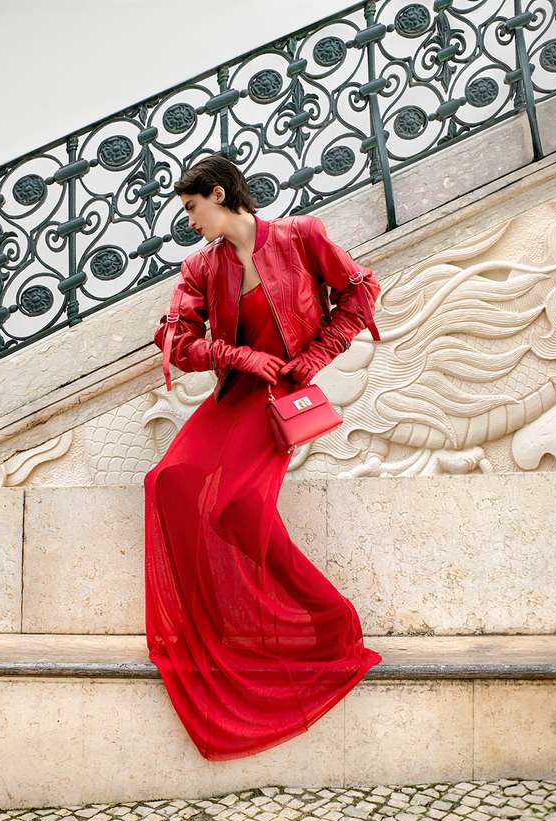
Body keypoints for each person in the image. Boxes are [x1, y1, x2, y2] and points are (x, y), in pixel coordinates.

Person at [144, 153, 383, 761]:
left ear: (220, 195)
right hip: (236, 393)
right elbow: (175, 337)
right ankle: (216, 625)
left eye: (192, 208)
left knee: (240, 508)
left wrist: (315, 357)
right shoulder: (202, 266)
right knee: (167, 480)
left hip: (278, 396)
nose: (189, 221)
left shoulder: (302, 236)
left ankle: (327, 619)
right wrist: (235, 355)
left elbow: (359, 292)